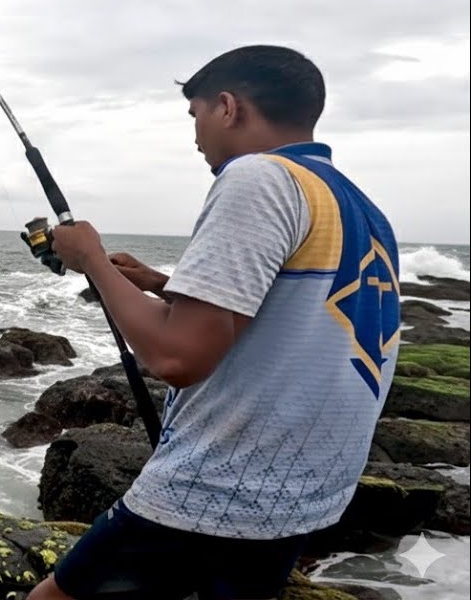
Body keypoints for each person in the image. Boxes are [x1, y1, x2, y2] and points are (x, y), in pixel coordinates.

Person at [27, 46, 400, 600]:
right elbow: (299, 310)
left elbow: (179, 358)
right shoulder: (358, 205)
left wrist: (92, 261)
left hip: (221, 488)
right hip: (306, 492)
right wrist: (162, 284)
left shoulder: (257, 177)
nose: (196, 135)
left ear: (228, 107)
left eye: (196, 115)